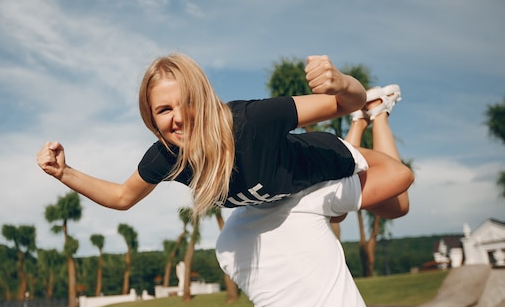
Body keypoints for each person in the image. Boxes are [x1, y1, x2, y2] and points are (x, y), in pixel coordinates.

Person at [215, 85, 411, 307]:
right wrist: (331, 145)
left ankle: (366, 118)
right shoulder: (310, 196)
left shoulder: (224, 245)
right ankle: (375, 115)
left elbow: (334, 217)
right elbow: (399, 177)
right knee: (398, 205)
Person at [37, 53, 396, 217]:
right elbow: (121, 197)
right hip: (297, 187)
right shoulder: (167, 156)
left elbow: (347, 102)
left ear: (204, 98)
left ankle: (378, 113)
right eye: (164, 110)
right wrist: (63, 173)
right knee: (356, 214)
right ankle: (365, 124)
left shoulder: (252, 121)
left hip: (326, 162)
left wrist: (343, 83)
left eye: (187, 102)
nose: (178, 119)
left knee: (398, 204)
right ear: (151, 118)